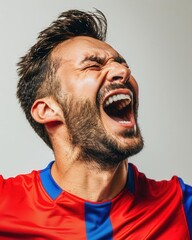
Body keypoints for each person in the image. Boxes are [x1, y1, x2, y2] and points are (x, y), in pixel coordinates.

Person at [0, 9, 191, 239]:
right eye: (93, 65)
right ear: (48, 110)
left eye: (121, 63)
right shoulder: (5, 205)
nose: (123, 71)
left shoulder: (180, 206)